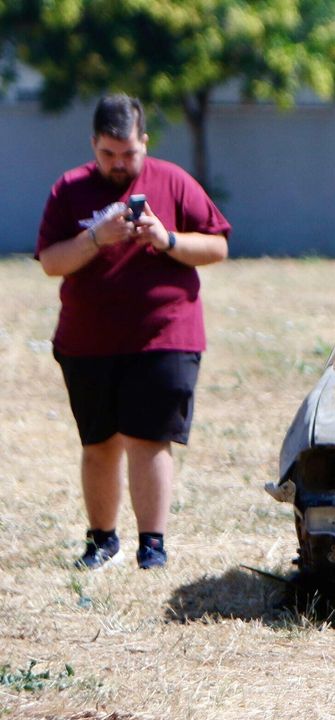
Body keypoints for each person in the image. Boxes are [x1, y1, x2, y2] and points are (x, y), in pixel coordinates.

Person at [35, 94, 231, 570]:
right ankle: (102, 541)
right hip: (88, 341)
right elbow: (51, 262)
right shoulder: (70, 189)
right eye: (108, 154)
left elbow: (218, 246)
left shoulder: (173, 181)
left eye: (129, 153)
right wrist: (96, 238)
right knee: (99, 443)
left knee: (150, 438)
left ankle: (152, 545)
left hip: (165, 334)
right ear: (93, 145)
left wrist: (166, 239)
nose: (119, 163)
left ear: (145, 141)